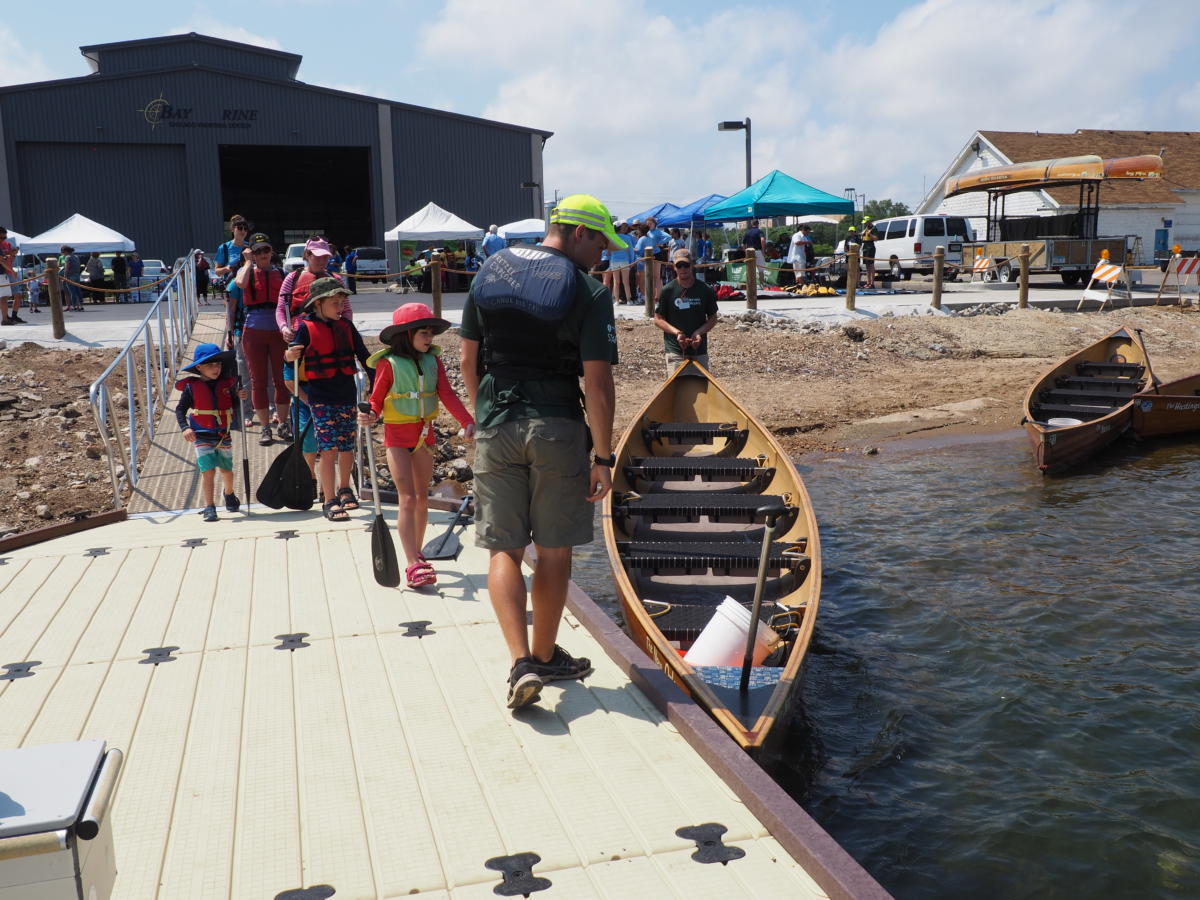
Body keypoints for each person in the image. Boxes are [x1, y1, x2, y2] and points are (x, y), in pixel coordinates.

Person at [459, 192, 618, 710]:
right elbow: (597, 384)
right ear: (577, 232)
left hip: (497, 424)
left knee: (503, 548)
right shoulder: (589, 292)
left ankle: (519, 661)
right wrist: (603, 455)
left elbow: (468, 360)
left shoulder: (490, 273)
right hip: (556, 429)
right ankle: (545, 655)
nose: (602, 254)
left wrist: (480, 421)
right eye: (600, 241)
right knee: (553, 551)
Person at [360, 303, 476, 587]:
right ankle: (412, 562)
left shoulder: (433, 362)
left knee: (422, 498)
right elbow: (376, 399)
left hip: (425, 436)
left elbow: (446, 394)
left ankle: (418, 554)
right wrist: (371, 414)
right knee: (408, 499)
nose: (430, 339)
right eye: (424, 333)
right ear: (407, 333)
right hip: (397, 438)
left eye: (431, 334)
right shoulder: (388, 364)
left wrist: (466, 420)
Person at [284, 277, 372, 522]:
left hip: (346, 395)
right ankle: (329, 498)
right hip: (319, 398)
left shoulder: (346, 326)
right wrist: (287, 354)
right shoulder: (305, 327)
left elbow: (365, 357)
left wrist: (376, 382)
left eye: (342, 302)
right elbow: (291, 359)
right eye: (335, 302)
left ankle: (345, 488)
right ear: (318, 304)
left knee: (346, 446)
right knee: (328, 449)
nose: (340, 307)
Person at [175, 342, 243, 523]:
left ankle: (229, 494)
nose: (216, 368)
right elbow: (180, 410)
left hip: (223, 434)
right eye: (211, 365)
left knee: (227, 471)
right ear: (199, 367)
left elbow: (234, 405)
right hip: (202, 435)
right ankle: (210, 506)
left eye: (219, 364)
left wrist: (239, 397)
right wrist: (185, 427)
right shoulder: (191, 387)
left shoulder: (227, 385)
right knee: (208, 472)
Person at [235, 233, 292, 446]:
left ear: (271, 251)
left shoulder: (282, 273)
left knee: (281, 379)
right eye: (257, 251)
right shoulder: (246, 272)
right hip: (254, 331)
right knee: (258, 381)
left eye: (266, 250)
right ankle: (266, 427)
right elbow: (240, 283)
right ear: (252, 253)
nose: (263, 254)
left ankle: (283, 423)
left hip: (278, 331)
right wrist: (248, 262)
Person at [654, 248, 719, 374]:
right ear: (674, 267)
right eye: (679, 265)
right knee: (675, 389)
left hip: (699, 351)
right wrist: (677, 333)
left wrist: (699, 333)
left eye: (686, 265)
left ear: (692, 265)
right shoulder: (667, 290)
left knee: (702, 388)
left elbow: (713, 318)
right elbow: (658, 319)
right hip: (675, 351)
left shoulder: (705, 290)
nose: (683, 269)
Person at [606, 222, 636, 304]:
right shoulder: (627, 237)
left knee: (616, 282)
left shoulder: (611, 237)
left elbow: (607, 251)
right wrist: (632, 261)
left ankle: (616, 301)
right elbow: (631, 251)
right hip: (625, 261)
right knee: (626, 282)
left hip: (614, 261)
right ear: (620, 228)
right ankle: (629, 300)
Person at [0, 228, 19, 324]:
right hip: (1, 274)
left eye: (5, 237)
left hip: (3, 274)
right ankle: (5, 319)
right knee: (3, 297)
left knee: (3, 297)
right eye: (2, 237)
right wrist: (12, 270)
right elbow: (2, 261)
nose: (3, 239)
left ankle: (6, 318)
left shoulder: (5, 246)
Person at [742, 219, 767, 285]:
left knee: (750, 270)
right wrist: (763, 250)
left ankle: (750, 285)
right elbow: (762, 240)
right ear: (758, 224)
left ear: (751, 224)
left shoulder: (747, 232)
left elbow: (743, 244)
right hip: (757, 251)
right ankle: (762, 285)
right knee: (761, 270)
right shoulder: (759, 231)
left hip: (749, 252)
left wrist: (745, 252)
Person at [61, 246, 84, 311]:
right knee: (78, 291)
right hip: (77, 275)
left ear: (66, 251)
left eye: (63, 252)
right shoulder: (76, 257)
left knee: (72, 292)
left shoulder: (68, 257)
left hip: (70, 276)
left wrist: (65, 277)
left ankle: (74, 306)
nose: (63, 253)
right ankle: (81, 305)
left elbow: (67, 267)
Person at [860, 216, 878, 288]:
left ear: (868, 222)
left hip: (871, 246)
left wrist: (870, 234)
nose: (865, 224)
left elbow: (876, 238)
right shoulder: (866, 229)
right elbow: (862, 237)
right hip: (865, 246)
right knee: (867, 265)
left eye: (866, 222)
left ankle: (872, 283)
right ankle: (868, 282)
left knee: (871, 265)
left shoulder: (874, 228)